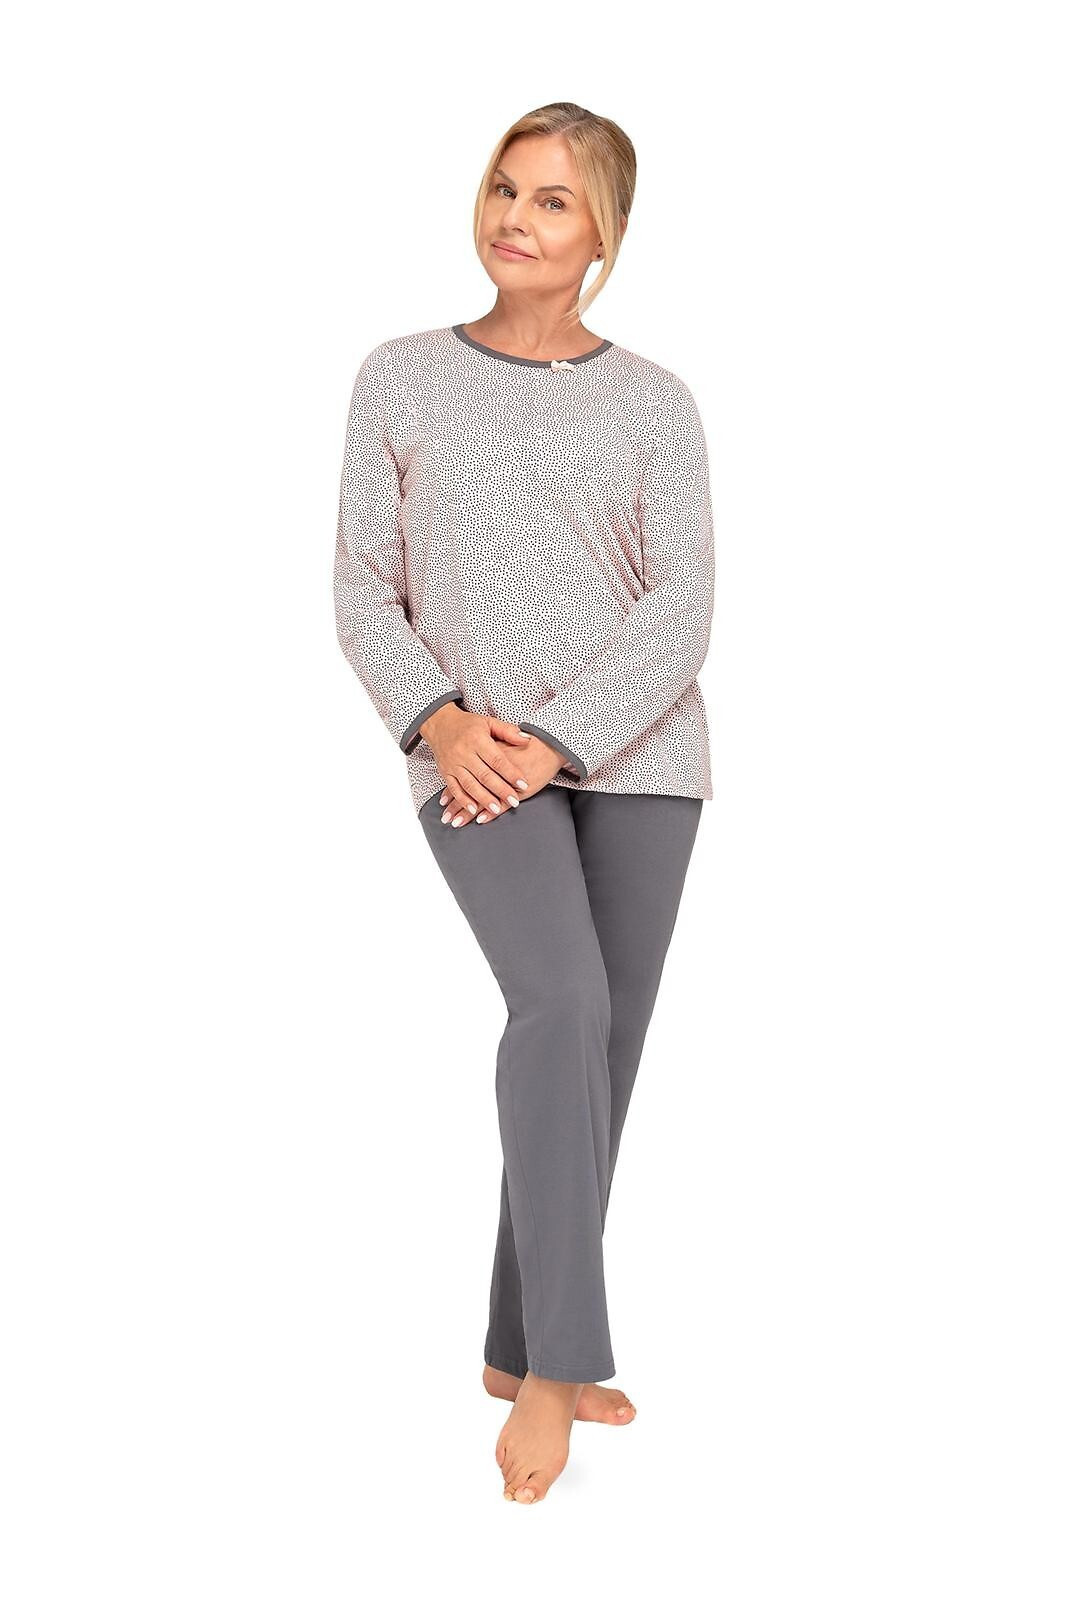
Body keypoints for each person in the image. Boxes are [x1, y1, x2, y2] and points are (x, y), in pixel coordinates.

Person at [333, 102, 715, 1505]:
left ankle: (514, 1342)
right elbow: (361, 583)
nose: (516, 217)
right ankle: (562, 1363)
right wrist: (444, 723)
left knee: (600, 1046)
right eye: (505, 187)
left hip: (641, 759)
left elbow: (682, 605)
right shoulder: (400, 377)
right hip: (473, 758)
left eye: (554, 200)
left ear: (604, 233)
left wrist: (562, 738)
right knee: (560, 1005)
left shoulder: (657, 402)